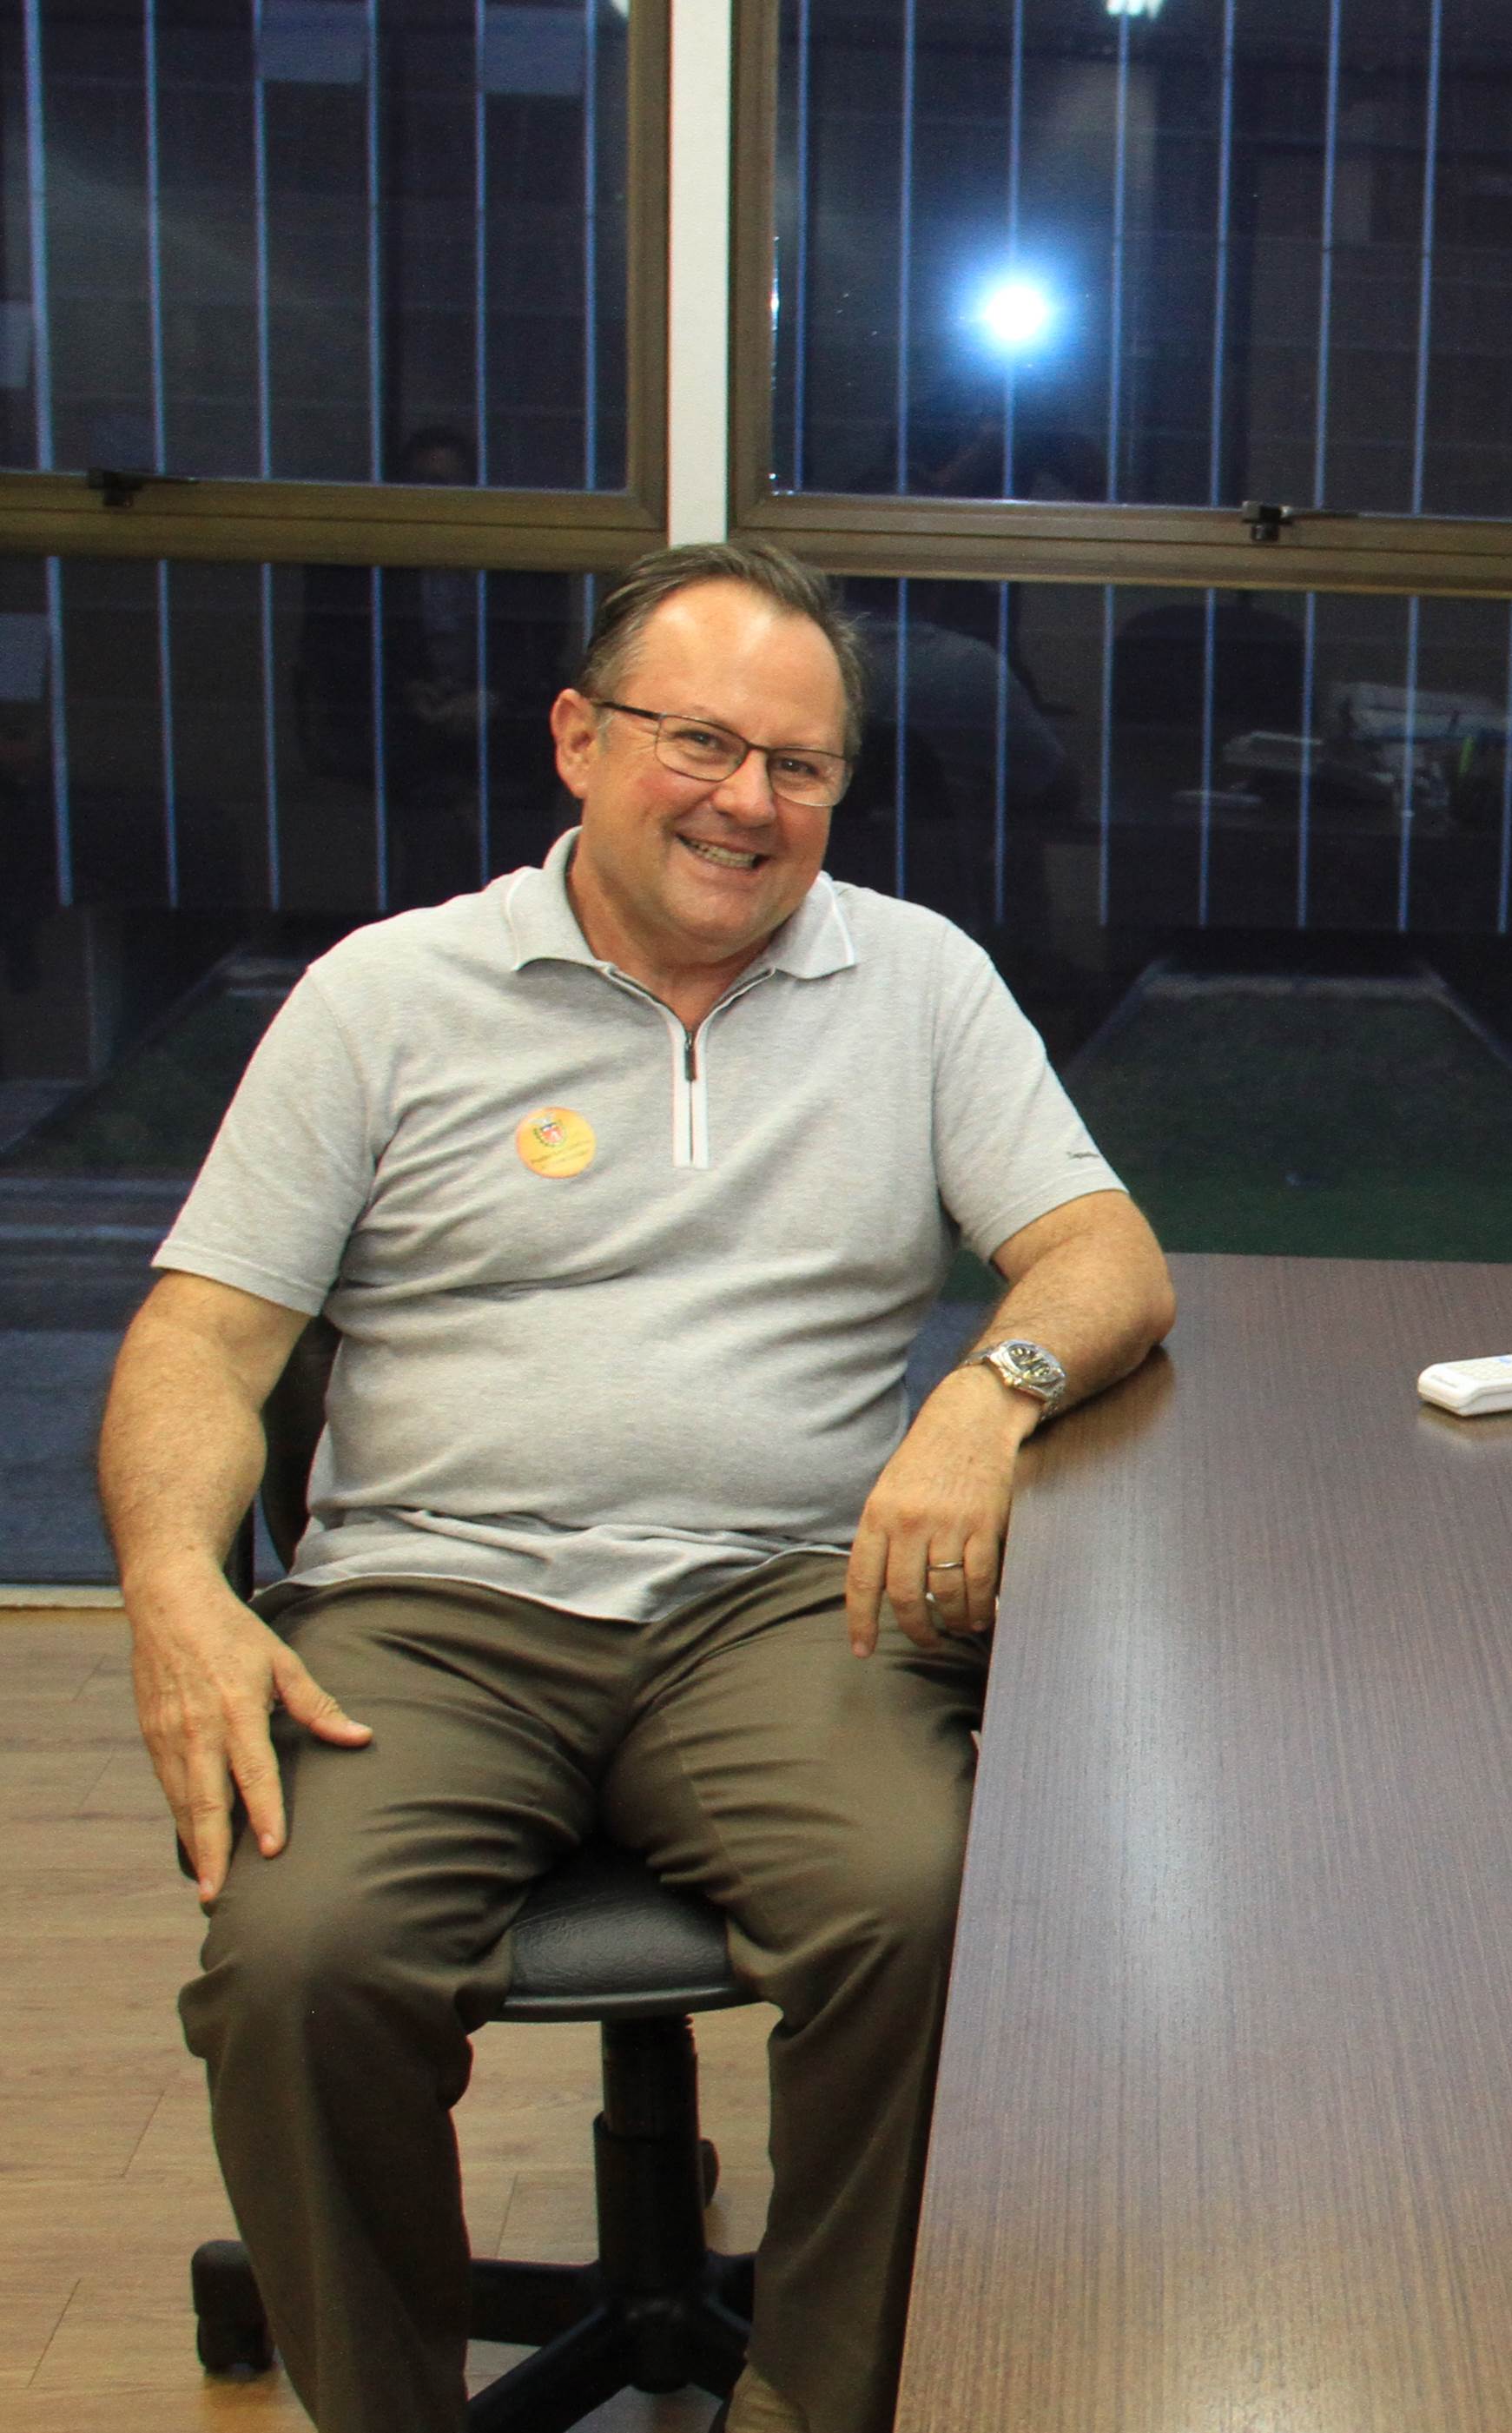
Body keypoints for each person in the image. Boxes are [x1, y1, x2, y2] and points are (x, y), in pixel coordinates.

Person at [100, 539, 1178, 2433]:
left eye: (800, 764)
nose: (748, 801)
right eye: (700, 742)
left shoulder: (914, 981)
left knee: (926, 1904)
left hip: (781, 1605)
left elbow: (1105, 1257)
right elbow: (202, 1338)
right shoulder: (384, 997)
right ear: (578, 739)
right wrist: (178, 1591)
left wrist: (980, 1396)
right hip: (432, 1608)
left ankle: (813, 2405)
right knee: (300, 1964)